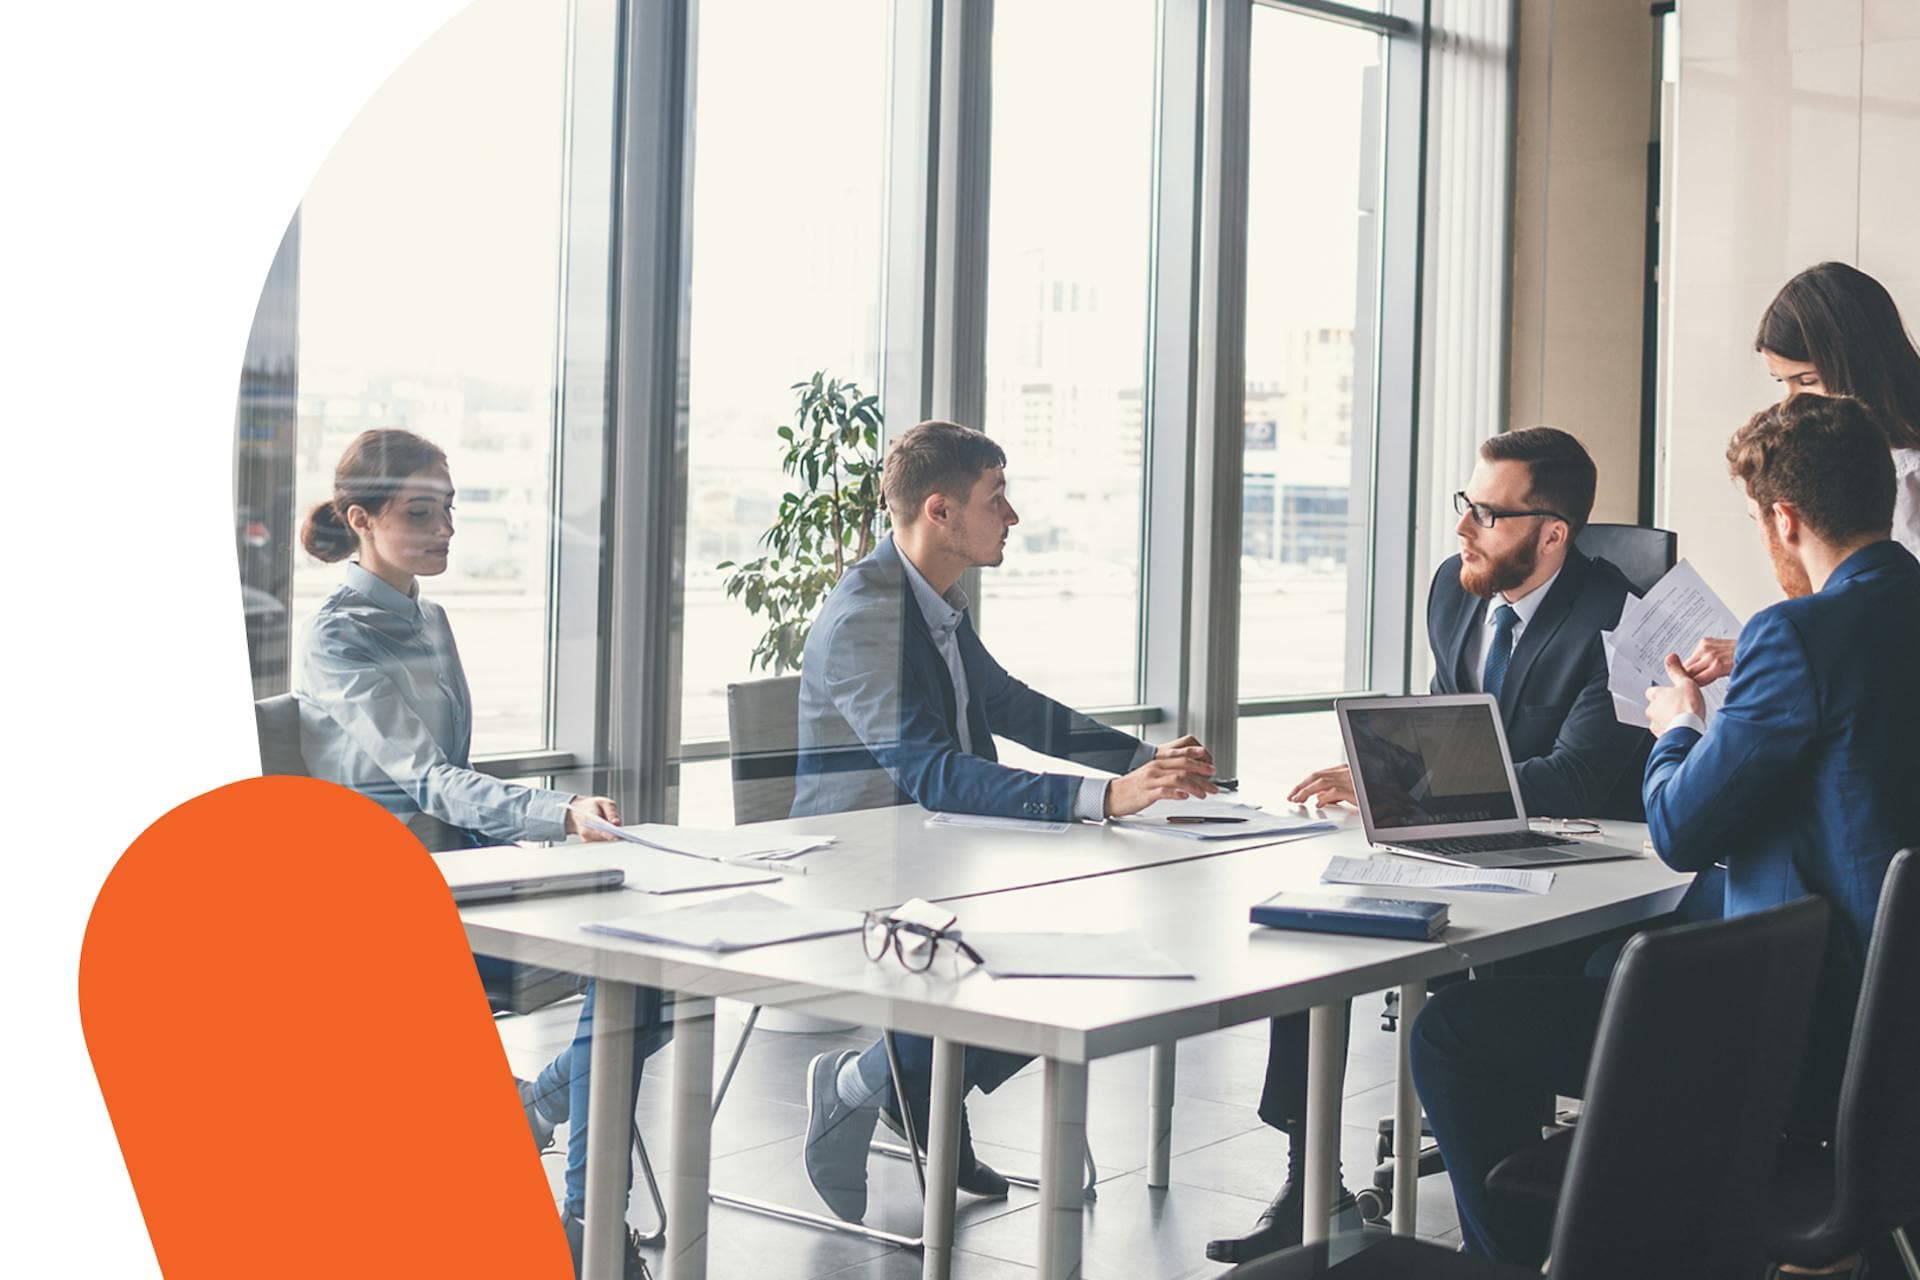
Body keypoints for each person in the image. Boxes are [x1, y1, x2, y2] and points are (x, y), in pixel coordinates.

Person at [1409, 393, 1920, 1266]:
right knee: (1606, 966)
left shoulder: (1795, 634)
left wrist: (1681, 725)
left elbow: (1680, 828)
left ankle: (1527, 1263)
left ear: (1785, 519)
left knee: (1452, 1030)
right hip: (1890, 1022)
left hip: (1795, 1031)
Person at [1209, 427, 1653, 1264]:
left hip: (1581, 873)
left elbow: (1575, 779)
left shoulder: (1619, 622)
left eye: (1487, 513)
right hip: (1464, 842)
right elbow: (1454, 733)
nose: (1463, 531)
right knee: (1319, 927)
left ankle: (1517, 1233)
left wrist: (1406, 788)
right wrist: (1385, 775)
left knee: (1474, 1015)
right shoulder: (1456, 589)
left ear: (1552, 533)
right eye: (1466, 505)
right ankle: (1315, 1185)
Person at [792, 419, 1219, 1223]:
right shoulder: (865, 619)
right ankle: (862, 1085)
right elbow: (931, 772)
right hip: (861, 870)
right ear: (940, 511)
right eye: (998, 498)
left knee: (1072, 952)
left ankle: (908, 1090)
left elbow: (1009, 703)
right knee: (1043, 963)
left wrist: (1143, 762)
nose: (1013, 517)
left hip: (939, 855)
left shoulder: (932, 602)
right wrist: (1102, 800)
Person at [293, 428, 667, 1280]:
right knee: (626, 974)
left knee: (645, 968)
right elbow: (428, 779)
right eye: (421, 514)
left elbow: (454, 780)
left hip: (467, 870)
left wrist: (552, 821)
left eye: (449, 510)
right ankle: (586, 1226)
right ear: (363, 519)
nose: (445, 531)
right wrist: (554, 810)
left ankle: (572, 1190)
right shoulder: (337, 637)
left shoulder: (430, 616)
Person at [1686, 262, 1920, 683]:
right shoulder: (1856, 461)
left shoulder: (1907, 476)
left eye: (1806, 380)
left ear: (1858, 366)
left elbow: (1890, 627)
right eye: (1783, 384)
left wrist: (1776, 650)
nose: (1791, 403)